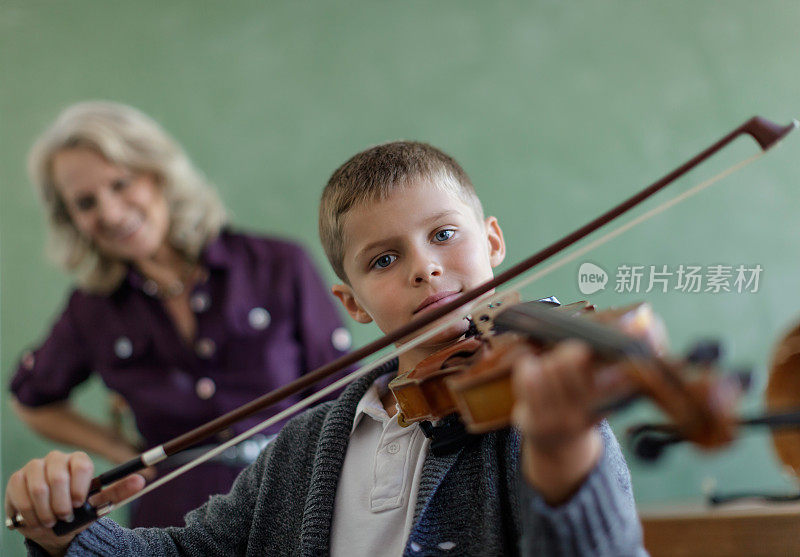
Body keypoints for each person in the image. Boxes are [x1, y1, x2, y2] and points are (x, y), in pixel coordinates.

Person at [6, 141, 647, 556]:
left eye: (445, 234)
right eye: (386, 258)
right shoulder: (311, 442)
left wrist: (563, 455)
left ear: (494, 243)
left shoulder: (530, 407)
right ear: (353, 304)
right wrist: (67, 536)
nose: (425, 268)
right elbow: (187, 554)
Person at [7, 102, 351, 529]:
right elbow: (31, 399)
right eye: (85, 203)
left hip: (298, 501)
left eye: (120, 183)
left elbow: (343, 394)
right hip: (173, 525)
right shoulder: (89, 310)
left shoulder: (278, 264)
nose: (111, 214)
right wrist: (120, 451)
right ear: (72, 219)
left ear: (158, 174)